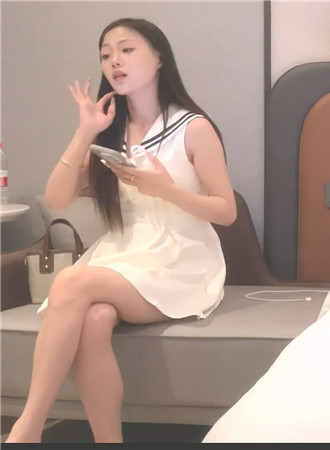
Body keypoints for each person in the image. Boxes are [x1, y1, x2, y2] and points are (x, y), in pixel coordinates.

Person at [6, 18, 236, 443]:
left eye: (127, 50)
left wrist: (167, 190)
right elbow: (57, 197)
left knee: (71, 281)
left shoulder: (193, 127)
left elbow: (226, 211)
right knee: (95, 321)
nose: (115, 61)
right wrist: (84, 132)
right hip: (123, 254)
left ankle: (27, 429)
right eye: (106, 54)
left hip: (181, 258)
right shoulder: (110, 131)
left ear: (159, 57)